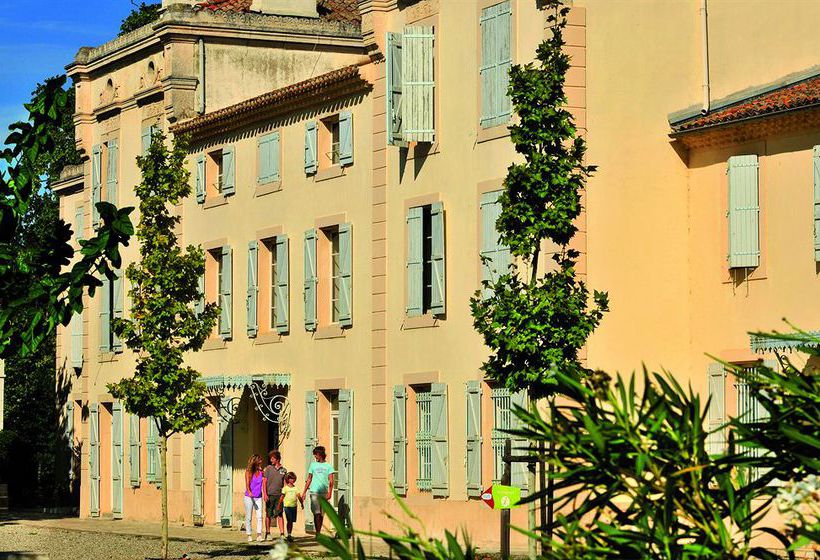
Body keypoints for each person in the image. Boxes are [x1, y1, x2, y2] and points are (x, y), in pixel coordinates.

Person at [301, 445, 334, 536]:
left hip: (324, 492)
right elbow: (309, 479)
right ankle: (318, 533)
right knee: (316, 512)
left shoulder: (328, 466)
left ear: (320, 454)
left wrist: (330, 492)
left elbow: (331, 480)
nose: (315, 456)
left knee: (322, 513)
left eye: (316, 454)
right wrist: (304, 491)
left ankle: (318, 531)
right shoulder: (313, 465)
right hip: (314, 492)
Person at [262, 449, 288, 540]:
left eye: (272, 458)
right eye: (271, 459)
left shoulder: (284, 470)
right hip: (270, 495)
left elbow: (285, 483)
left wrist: (284, 494)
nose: (271, 460)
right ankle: (268, 533)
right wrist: (265, 494)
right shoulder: (268, 469)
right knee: (268, 514)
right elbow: (264, 482)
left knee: (280, 514)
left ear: (277, 459)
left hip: (279, 495)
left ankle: (282, 534)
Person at [244, 454, 265, 543]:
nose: (261, 462)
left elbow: (264, 482)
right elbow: (247, 485)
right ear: (256, 461)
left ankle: (259, 535)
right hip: (249, 497)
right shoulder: (248, 472)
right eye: (260, 460)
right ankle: (249, 534)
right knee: (249, 517)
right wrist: (250, 492)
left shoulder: (261, 472)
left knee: (259, 516)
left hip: (258, 496)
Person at [278, 472, 303, 542]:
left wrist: (302, 503)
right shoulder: (285, 488)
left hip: (294, 507)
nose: (292, 480)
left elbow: (299, 496)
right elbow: (281, 497)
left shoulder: (296, 488)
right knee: (289, 520)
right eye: (291, 478)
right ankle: (288, 535)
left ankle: (289, 534)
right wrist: (279, 505)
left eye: (293, 479)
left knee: (291, 521)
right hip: (287, 507)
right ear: (288, 479)